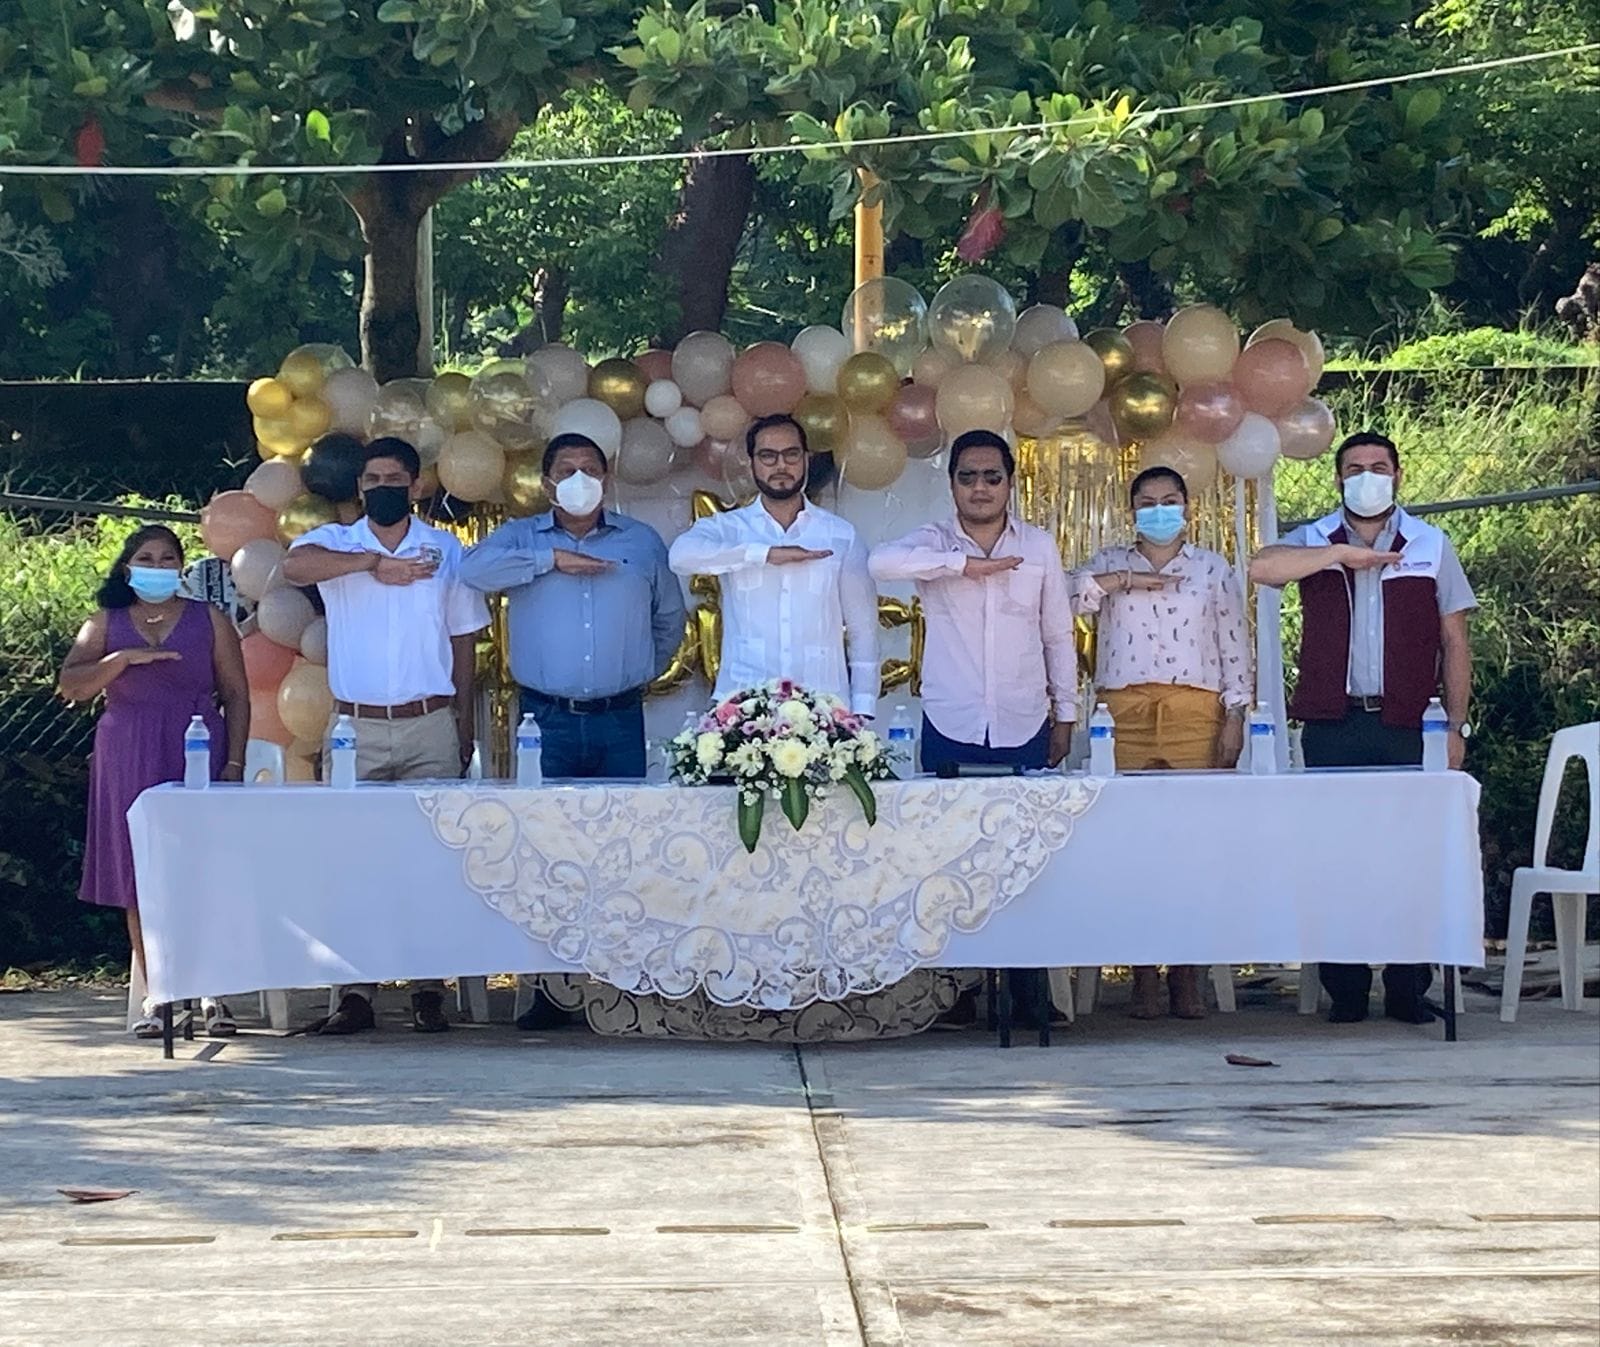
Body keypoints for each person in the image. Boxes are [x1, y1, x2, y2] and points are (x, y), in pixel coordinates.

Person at [1249, 430, 1476, 1025]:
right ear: (1338, 480)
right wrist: (1339, 557)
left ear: (1398, 475)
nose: (1368, 476)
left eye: (1379, 466)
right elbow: (1262, 568)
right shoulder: (1316, 538)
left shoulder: (1429, 543)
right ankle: (1345, 991)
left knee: (1411, 861)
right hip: (1334, 721)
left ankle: (1407, 988)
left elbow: (1455, 642)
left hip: (1408, 723)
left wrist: (1456, 725)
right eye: (1355, 468)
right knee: (1334, 860)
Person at [281, 436, 490, 1035]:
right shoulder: (338, 544)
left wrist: (464, 722)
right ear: (359, 488)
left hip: (429, 722)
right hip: (356, 727)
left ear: (417, 485)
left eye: (393, 479)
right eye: (371, 480)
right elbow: (293, 567)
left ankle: (429, 989)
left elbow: (463, 642)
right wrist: (374, 565)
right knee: (351, 865)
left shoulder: (445, 550)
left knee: (432, 862)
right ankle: (354, 994)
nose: (381, 489)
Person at [1074, 465, 1252, 1020]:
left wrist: (1235, 715)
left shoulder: (1212, 568)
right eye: (1147, 501)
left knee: (1192, 847)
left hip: (1193, 710)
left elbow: (1233, 641)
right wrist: (1126, 581)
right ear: (1131, 510)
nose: (1158, 510)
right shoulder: (1107, 561)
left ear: (1187, 509)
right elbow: (1069, 599)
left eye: (1169, 500)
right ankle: (1142, 975)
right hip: (1121, 712)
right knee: (1130, 846)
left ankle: (1187, 974)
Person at [59, 525, 250, 1038]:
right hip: (127, 750)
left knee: (204, 867)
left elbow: (236, 694)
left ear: (181, 568)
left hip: (194, 748)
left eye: (168, 558)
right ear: (128, 566)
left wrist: (232, 764)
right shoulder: (106, 622)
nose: (158, 566)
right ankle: (160, 993)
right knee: (138, 870)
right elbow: (71, 685)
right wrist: (121, 660)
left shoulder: (209, 620)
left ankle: (214, 992)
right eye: (147, 557)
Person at [459, 432, 685, 779]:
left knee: (625, 822)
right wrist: (548, 559)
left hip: (620, 716)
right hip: (544, 718)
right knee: (546, 826)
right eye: (567, 472)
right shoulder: (522, 536)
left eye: (589, 470)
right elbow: (471, 570)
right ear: (548, 486)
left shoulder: (641, 539)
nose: (580, 480)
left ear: (605, 481)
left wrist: (636, 668)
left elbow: (669, 617)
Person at [868, 428, 1078, 773]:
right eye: (967, 478)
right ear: (951, 484)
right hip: (950, 721)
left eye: (992, 477)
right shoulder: (935, 540)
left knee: (1032, 827)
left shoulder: (1038, 545)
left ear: (1009, 483)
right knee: (943, 827)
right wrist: (961, 565)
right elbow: (880, 562)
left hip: (1023, 720)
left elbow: (1057, 635)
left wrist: (1066, 716)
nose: (980, 488)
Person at [668, 413, 879, 715]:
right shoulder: (729, 529)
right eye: (768, 456)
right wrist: (763, 554)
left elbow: (864, 631)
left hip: (823, 709)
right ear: (751, 462)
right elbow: (680, 557)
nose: (781, 466)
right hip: (743, 708)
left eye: (791, 454)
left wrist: (863, 712)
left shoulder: (839, 535)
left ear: (806, 459)